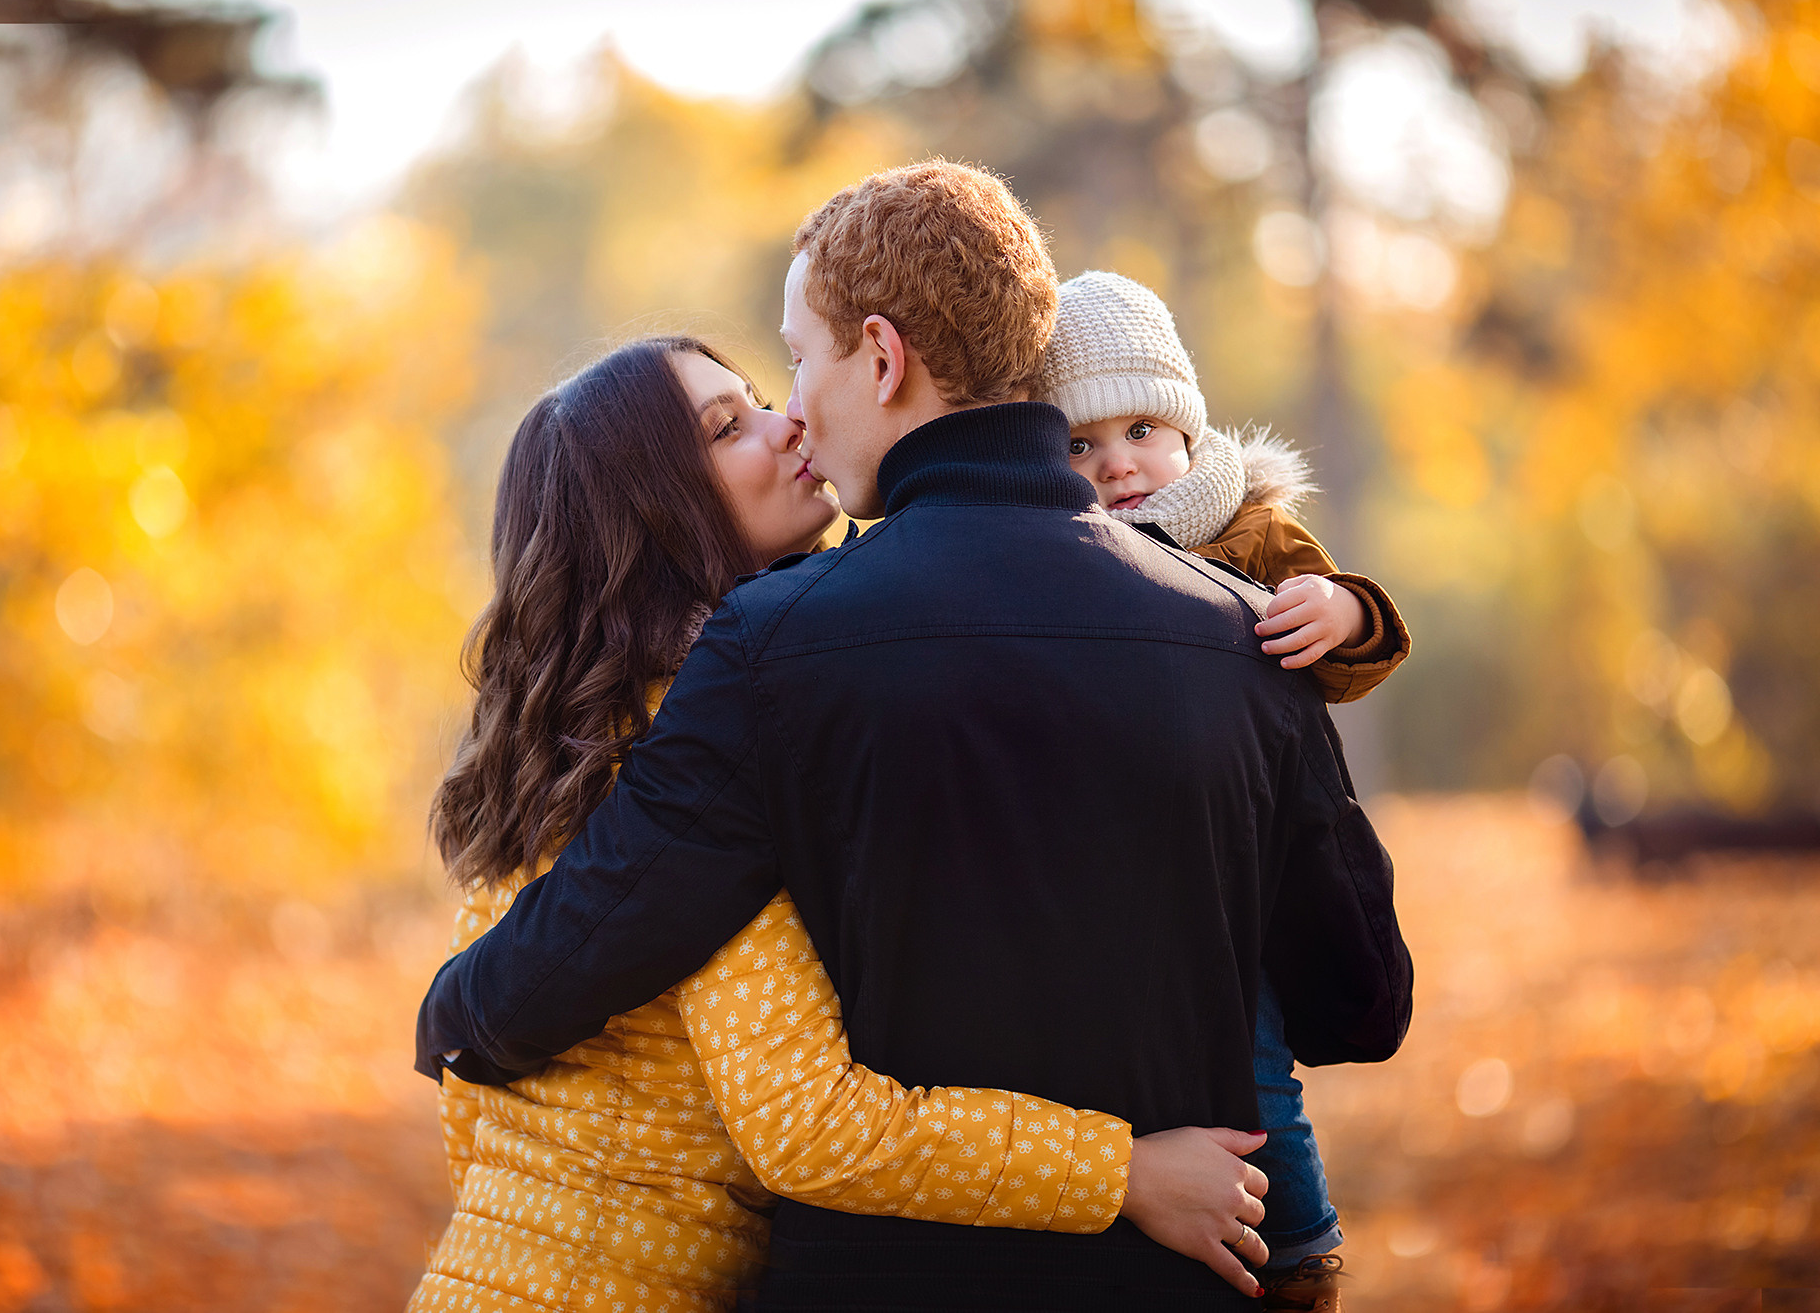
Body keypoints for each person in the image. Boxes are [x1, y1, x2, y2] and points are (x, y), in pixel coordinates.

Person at [419, 160, 1413, 1310]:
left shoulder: (765, 648)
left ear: (881, 358)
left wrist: (457, 1008)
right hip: (1192, 1272)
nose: (792, 404)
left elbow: (609, 922)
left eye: (796, 359)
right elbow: (1358, 1004)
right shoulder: (1244, 631)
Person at [1038, 268, 1414, 1305]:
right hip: (1119, 862)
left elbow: (1354, 644)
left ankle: (1297, 1241)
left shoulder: (1244, 529)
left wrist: (1335, 610)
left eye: (1139, 429)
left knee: (1250, 1063)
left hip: (1240, 867)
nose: (1115, 464)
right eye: (1077, 442)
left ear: (1188, 428)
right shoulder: (1055, 555)